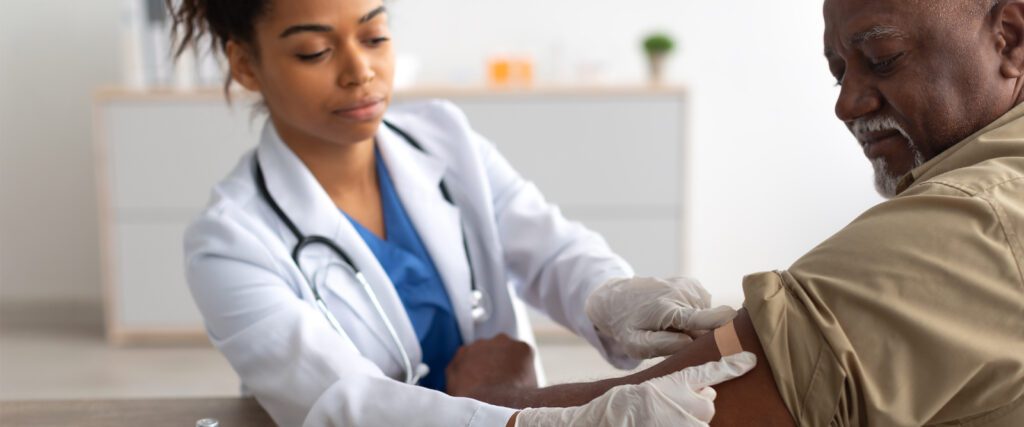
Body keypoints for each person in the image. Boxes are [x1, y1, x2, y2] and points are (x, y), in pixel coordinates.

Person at [170, 0, 743, 425]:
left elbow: (549, 248)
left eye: (374, 36)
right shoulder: (229, 244)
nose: (359, 70)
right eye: (314, 51)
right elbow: (341, 403)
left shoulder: (444, 137)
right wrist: (537, 420)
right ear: (245, 64)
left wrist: (609, 297)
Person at [456, 0, 1024, 425]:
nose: (845, 103)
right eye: (838, 72)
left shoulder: (972, 222)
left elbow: (697, 409)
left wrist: (489, 400)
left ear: (1012, 37)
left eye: (883, 59)